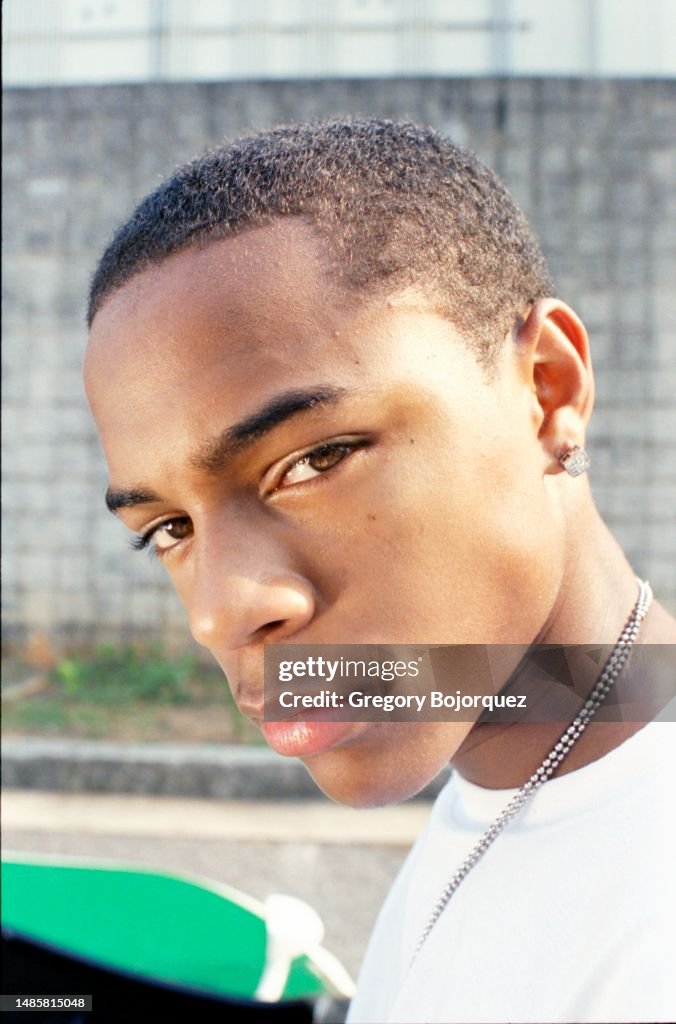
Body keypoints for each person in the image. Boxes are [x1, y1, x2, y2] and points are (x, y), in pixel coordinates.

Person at [83, 118, 676, 1023]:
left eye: (313, 460)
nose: (221, 612)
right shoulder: (509, 777)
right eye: (168, 526)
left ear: (547, 389)